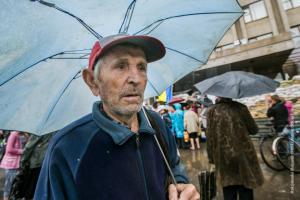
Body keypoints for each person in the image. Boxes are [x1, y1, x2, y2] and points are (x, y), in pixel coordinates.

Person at [34, 34, 199, 200]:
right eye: (121, 66)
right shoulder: (67, 147)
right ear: (92, 81)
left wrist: (182, 185)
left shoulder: (156, 124)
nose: (136, 79)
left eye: (141, 67)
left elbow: (175, 168)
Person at [206, 97, 264, 200]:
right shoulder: (241, 108)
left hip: (223, 156)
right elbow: (254, 130)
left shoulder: (211, 111)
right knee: (246, 186)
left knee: (228, 188)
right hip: (243, 154)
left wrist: (211, 158)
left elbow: (209, 137)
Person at [0, 131, 25, 200]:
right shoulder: (13, 135)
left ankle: (9, 197)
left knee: (12, 182)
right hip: (10, 163)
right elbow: (9, 149)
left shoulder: (20, 135)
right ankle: (5, 198)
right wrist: (21, 151)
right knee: (8, 183)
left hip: (16, 163)